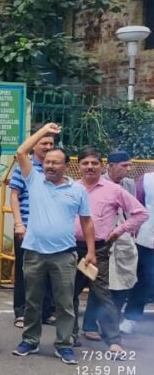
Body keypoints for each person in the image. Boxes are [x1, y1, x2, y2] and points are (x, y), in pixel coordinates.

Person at [11, 123, 95, 365]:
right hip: (34, 253)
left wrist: (90, 251)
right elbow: (21, 152)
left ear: (66, 166)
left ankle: (64, 344)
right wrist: (44, 131)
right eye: (47, 161)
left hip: (64, 255)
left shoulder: (77, 190)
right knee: (32, 302)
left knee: (65, 304)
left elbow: (87, 221)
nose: (49, 165)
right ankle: (30, 340)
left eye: (55, 162)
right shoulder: (34, 180)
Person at [69, 147, 147, 354]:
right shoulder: (71, 188)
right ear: (79, 166)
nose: (90, 167)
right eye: (85, 163)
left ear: (102, 165)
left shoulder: (114, 190)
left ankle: (114, 340)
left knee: (103, 295)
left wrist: (119, 231)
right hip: (71, 249)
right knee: (69, 293)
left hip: (99, 250)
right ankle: (70, 334)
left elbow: (141, 213)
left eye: (94, 163)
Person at [8, 126, 58, 328]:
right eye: (44, 143)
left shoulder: (55, 169)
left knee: (48, 272)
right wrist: (19, 224)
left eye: (51, 144)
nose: (48, 147)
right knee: (24, 273)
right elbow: (14, 195)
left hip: (49, 231)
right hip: (27, 228)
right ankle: (21, 312)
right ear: (35, 144)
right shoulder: (25, 166)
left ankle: (46, 311)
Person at [131, 169, 154, 333]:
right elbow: (136, 208)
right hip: (148, 237)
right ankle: (131, 317)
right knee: (143, 278)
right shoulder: (146, 180)